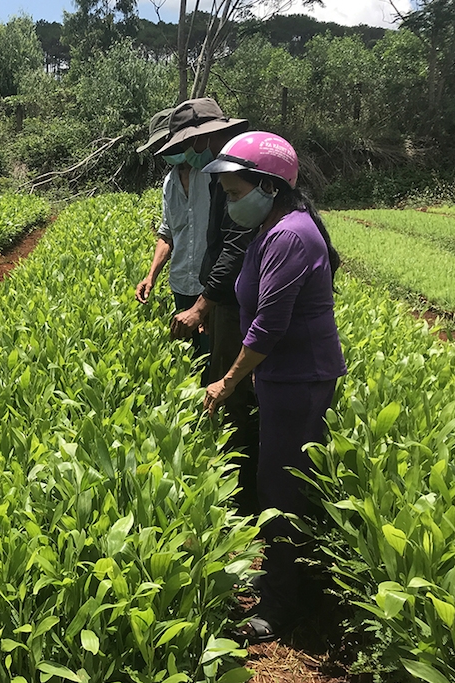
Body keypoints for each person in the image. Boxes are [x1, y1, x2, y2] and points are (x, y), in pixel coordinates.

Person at [202, 131, 346, 643]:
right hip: (284, 378)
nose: (230, 201)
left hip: (298, 378)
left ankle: (284, 602)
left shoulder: (289, 235)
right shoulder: (274, 227)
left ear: (268, 185)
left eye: (236, 192)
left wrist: (225, 381)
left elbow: (269, 326)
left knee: (283, 490)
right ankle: (280, 579)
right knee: (277, 481)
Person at [154, 98, 259, 512]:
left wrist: (203, 304)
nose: (193, 150)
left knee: (234, 388)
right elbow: (200, 241)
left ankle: (243, 491)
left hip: (234, 297)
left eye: (195, 141)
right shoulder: (215, 169)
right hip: (218, 295)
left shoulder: (233, 171)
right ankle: (231, 470)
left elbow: (233, 246)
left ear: (210, 134)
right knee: (219, 378)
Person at [134, 105, 214, 360]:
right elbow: (167, 234)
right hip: (181, 283)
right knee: (189, 358)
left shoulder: (213, 174)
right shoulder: (169, 183)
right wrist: (151, 276)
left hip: (212, 286)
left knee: (213, 355)